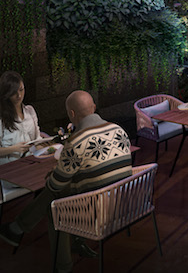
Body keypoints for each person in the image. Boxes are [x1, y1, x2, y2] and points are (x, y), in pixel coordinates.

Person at [0, 90, 132, 273]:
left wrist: (54, 176)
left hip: (97, 211)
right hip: (125, 202)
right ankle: (19, 229)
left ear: (71, 114)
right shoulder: (119, 130)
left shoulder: (77, 142)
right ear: (94, 107)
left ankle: (61, 266)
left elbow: (55, 185)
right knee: (64, 190)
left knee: (54, 204)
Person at [0, 71, 46, 166]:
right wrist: (14, 149)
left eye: (21, 90)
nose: (19, 95)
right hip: (9, 166)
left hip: (31, 161)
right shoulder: (2, 118)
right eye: (14, 93)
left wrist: (42, 145)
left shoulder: (30, 111)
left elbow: (37, 138)